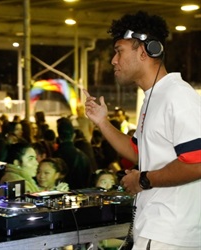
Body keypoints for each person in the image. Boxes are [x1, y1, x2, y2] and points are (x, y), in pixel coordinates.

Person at [84, 11, 201, 249]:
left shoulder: (177, 95)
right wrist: (103, 122)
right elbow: (140, 153)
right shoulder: (153, 97)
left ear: (146, 50)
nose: (113, 60)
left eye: (119, 51)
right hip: (154, 230)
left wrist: (143, 180)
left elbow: (198, 162)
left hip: (171, 235)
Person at [54, 117, 91, 190]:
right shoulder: (83, 156)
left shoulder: (54, 156)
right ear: (74, 136)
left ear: (59, 136)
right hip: (80, 194)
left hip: (61, 193)